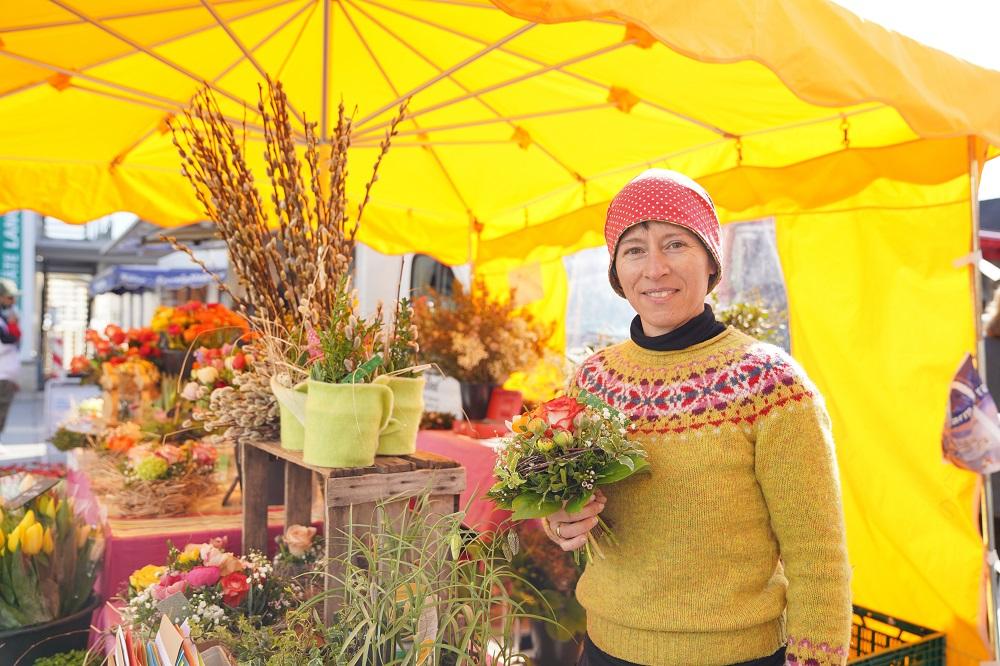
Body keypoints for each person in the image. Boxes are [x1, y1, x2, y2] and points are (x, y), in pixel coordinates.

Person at [541, 170, 852, 666]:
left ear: (711, 260)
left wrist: (817, 659)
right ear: (617, 272)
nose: (655, 268)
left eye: (675, 243)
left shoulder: (770, 383)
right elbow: (571, 509)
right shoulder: (593, 380)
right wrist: (561, 521)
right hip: (607, 649)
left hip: (737, 656)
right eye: (635, 249)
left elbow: (818, 553)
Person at [0, 278, 20, 439]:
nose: (13, 301)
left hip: (6, 374)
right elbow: (6, 342)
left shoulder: (3, 318)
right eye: (9, 297)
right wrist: (14, 328)